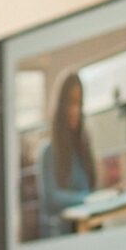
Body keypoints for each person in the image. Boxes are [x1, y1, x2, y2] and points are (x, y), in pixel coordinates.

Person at [37, 72, 97, 236]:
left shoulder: (83, 147)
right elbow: (51, 198)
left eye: (79, 103)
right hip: (61, 234)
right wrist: (86, 198)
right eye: (70, 103)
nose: (75, 110)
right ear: (61, 106)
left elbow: (89, 188)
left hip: (86, 228)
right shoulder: (47, 151)